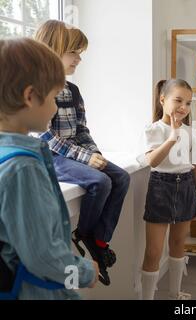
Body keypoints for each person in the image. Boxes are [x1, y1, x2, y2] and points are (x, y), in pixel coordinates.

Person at [0, 38, 99, 300]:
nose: (56, 107)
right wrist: (85, 273)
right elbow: (43, 257)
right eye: (55, 97)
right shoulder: (22, 169)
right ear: (30, 96)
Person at [34, 20, 130, 286]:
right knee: (100, 181)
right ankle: (86, 234)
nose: (79, 59)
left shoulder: (73, 90)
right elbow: (45, 136)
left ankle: (99, 239)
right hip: (50, 156)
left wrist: (94, 154)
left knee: (120, 177)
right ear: (55, 50)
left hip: (75, 152)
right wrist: (86, 159)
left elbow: (82, 130)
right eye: (74, 53)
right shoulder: (38, 88)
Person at [140, 79, 196, 300]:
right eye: (178, 100)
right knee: (154, 251)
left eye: (188, 103)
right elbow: (152, 161)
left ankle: (174, 293)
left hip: (187, 187)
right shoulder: (153, 129)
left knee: (178, 243)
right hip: (161, 188)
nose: (183, 107)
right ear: (162, 99)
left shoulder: (192, 133)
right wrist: (172, 137)